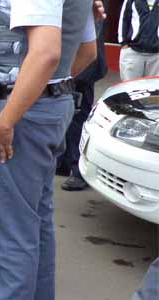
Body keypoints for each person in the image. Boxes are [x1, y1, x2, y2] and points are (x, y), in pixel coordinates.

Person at [0, 0, 99, 299]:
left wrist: (8, 117)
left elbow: (46, 53)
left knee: (9, 232)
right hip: (49, 104)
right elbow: (88, 52)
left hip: (23, 112)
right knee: (35, 222)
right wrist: (50, 87)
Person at [58, 21, 108, 191]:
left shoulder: (85, 7)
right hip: (70, 72)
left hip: (81, 73)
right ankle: (64, 163)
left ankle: (79, 171)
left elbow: (89, 45)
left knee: (78, 122)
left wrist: (72, 75)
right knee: (67, 120)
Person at [117, 0, 159, 80]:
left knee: (153, 90)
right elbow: (124, 19)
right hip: (133, 53)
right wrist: (124, 44)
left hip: (156, 56)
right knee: (130, 88)